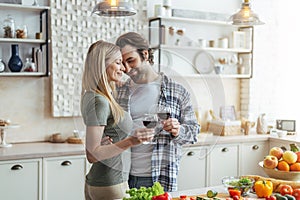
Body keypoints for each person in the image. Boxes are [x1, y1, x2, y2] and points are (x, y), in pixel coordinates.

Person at [115, 32, 200, 192]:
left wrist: (178, 130)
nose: (126, 68)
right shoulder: (119, 91)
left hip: (161, 177)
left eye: (130, 60)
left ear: (145, 54)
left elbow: (193, 133)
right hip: (122, 177)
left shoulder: (177, 92)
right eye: (122, 63)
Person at [81, 40, 154, 200]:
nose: (123, 68)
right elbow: (92, 155)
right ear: (103, 65)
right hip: (110, 185)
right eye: (118, 62)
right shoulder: (99, 101)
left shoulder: (92, 95)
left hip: (102, 182)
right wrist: (131, 141)